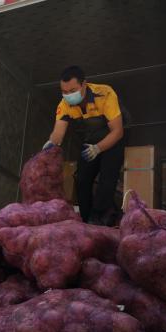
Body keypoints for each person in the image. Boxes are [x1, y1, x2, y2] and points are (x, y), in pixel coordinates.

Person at [43, 66, 126, 225]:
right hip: (91, 139)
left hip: (112, 137)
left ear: (84, 84)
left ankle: (100, 215)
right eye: (64, 92)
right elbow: (58, 132)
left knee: (108, 175)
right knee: (81, 178)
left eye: (72, 90)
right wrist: (51, 143)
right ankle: (86, 219)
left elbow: (118, 132)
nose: (68, 95)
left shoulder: (105, 93)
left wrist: (98, 148)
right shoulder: (64, 105)